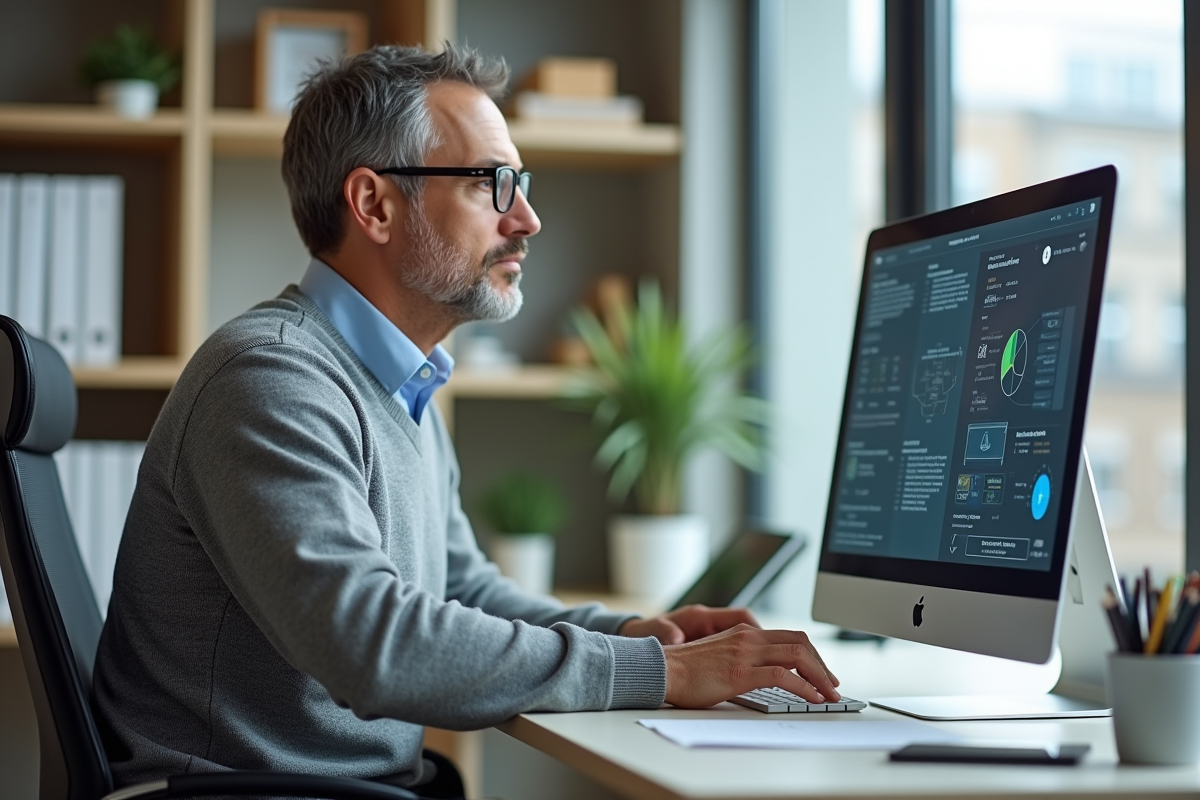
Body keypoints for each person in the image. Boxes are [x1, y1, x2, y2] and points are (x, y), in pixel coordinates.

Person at [91, 43, 840, 796]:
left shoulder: (399, 383)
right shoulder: (270, 379)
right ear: (375, 205)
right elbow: (370, 645)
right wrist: (658, 674)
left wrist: (637, 635)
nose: (528, 219)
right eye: (494, 184)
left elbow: (460, 592)